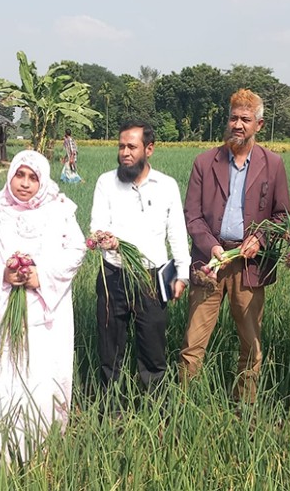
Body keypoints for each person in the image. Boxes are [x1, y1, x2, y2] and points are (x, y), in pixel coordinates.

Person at [0, 150, 85, 463]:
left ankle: (40, 448)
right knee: (1, 376)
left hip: (45, 314)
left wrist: (40, 276)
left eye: (33, 178)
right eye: (20, 175)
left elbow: (76, 251)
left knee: (40, 376)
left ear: (42, 181)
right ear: (10, 176)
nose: (25, 184)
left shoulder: (60, 210)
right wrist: (2, 274)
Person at [180, 89, 290, 403]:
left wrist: (260, 238)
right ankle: (184, 406)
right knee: (193, 342)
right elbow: (192, 215)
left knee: (250, 343)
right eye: (233, 118)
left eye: (245, 119)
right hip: (210, 263)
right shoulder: (205, 162)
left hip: (249, 266)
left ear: (259, 124)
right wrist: (211, 247)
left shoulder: (272, 164)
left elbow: (283, 216)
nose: (238, 125)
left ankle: (245, 407)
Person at [90, 120, 190, 398]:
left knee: (153, 349)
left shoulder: (166, 185)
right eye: (121, 146)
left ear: (149, 149)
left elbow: (177, 232)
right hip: (114, 275)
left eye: (132, 147)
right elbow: (97, 225)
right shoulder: (106, 182)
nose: (125, 153)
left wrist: (182, 275)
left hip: (151, 278)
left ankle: (155, 407)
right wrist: (105, 239)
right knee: (110, 348)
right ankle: (110, 408)